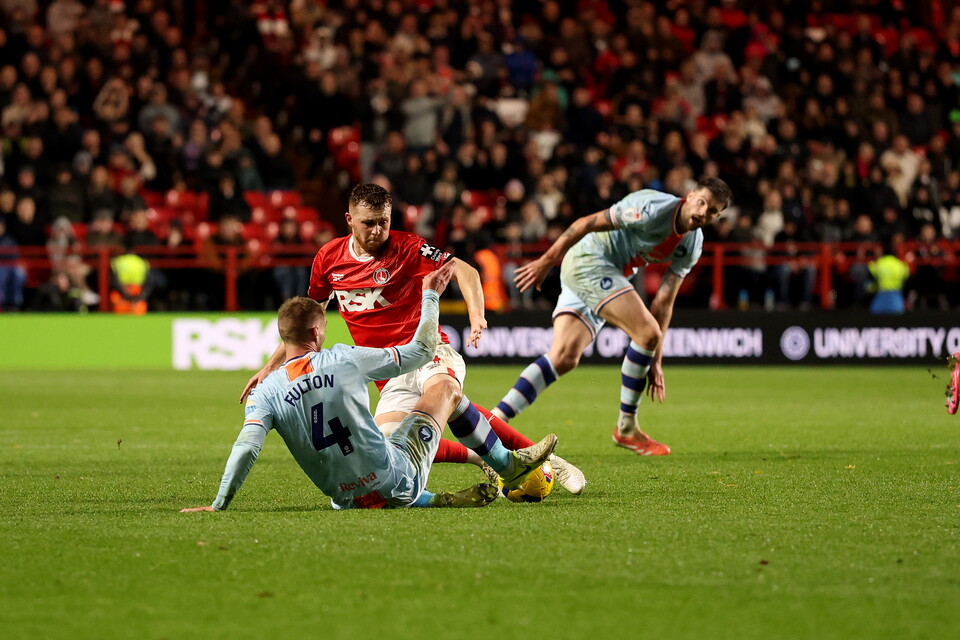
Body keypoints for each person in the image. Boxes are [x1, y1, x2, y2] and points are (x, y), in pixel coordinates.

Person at [242, 183, 584, 494]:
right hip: (386, 371)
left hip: (426, 350)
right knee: (389, 449)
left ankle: (543, 464)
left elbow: (465, 270)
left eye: (383, 222)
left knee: (443, 392)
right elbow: (305, 324)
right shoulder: (328, 259)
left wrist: (476, 313)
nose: (377, 231)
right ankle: (490, 458)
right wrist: (271, 367)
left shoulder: (408, 247)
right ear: (349, 219)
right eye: (368, 223)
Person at [182, 262, 556, 511]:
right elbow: (422, 350)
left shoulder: (266, 392)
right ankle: (507, 464)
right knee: (445, 391)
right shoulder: (343, 358)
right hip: (398, 477)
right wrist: (429, 295)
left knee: (380, 442)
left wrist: (220, 503)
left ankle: (433, 500)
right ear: (316, 332)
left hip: (345, 499)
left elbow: (246, 449)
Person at [493, 178, 733, 456]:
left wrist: (655, 358)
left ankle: (495, 419)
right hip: (590, 261)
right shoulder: (650, 208)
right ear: (690, 196)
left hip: (606, 275)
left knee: (564, 357)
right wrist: (547, 260)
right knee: (647, 333)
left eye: (713, 211)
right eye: (702, 202)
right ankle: (627, 428)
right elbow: (587, 223)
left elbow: (664, 304)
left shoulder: (692, 244)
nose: (704, 213)